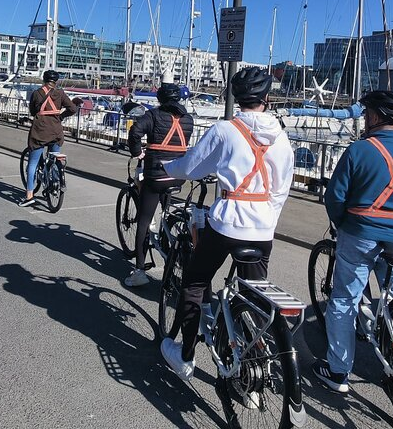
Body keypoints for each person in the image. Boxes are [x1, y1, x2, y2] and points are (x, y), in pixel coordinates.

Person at [159, 67, 294, 380]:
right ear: (267, 99)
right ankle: (256, 366)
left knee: (194, 283)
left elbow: (190, 168)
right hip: (262, 228)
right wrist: (265, 221)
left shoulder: (225, 130)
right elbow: (281, 189)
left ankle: (186, 355)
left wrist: (167, 166)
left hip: (227, 223)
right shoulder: (282, 139)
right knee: (255, 297)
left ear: (237, 98)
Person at [312, 90, 393, 393]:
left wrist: (342, 223)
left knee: (345, 299)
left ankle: (338, 370)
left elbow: (335, 197)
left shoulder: (359, 150)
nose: (364, 118)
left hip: (359, 233)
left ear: (377, 117)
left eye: (367, 113)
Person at [123, 83, 194, 287]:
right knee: (166, 214)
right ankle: (168, 246)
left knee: (144, 220)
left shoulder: (153, 115)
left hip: (156, 174)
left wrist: (137, 153)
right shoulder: (188, 119)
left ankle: (139, 271)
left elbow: (135, 133)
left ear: (160, 99)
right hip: (178, 175)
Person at [19, 70, 77, 207]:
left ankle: (29, 196)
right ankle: (55, 185)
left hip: (40, 132)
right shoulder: (60, 94)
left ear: (44, 80)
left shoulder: (37, 93)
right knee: (54, 157)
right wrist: (61, 116)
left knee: (32, 163)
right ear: (56, 81)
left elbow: (33, 112)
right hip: (56, 131)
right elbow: (73, 109)